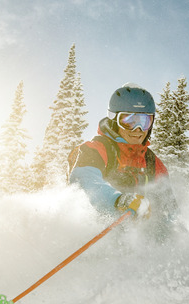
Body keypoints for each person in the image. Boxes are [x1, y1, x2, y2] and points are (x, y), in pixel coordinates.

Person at [69, 83, 178, 233]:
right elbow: (84, 181)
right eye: (129, 122)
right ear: (114, 120)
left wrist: (180, 239)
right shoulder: (96, 149)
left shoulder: (153, 163)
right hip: (95, 231)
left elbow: (169, 209)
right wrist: (117, 200)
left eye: (144, 121)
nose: (137, 130)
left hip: (138, 241)